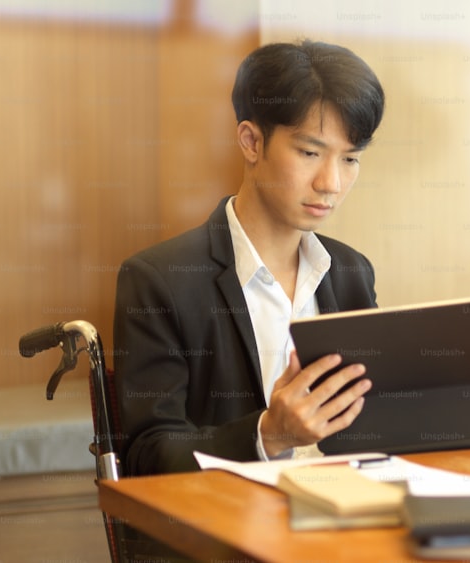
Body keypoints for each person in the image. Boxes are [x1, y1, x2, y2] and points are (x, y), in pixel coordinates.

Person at [114, 39, 385, 476]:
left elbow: (372, 422)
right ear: (251, 141)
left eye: (350, 158)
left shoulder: (352, 272)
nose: (331, 182)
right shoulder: (160, 280)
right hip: (230, 532)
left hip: (348, 520)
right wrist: (269, 434)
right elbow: (149, 456)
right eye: (310, 153)